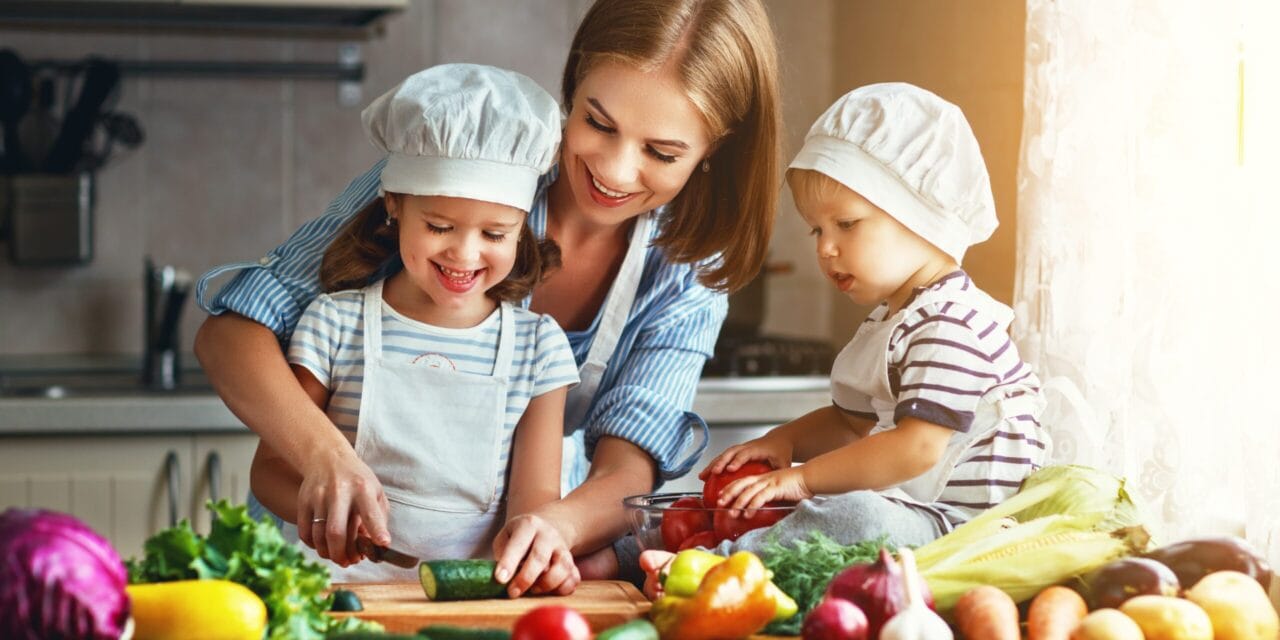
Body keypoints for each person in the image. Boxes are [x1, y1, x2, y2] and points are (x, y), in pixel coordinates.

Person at [193, 0, 781, 594]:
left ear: (713, 150)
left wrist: (553, 527)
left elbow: (627, 464)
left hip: (479, 571)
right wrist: (325, 457)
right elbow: (232, 334)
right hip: (315, 558)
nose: (615, 170)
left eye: (662, 152)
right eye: (598, 123)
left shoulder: (688, 267)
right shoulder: (461, 159)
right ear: (572, 85)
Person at [641, 83, 1051, 587]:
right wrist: (783, 442)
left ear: (921, 217)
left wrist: (803, 478)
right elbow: (850, 423)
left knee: (858, 517)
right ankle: (662, 551)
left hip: (964, 532)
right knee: (833, 507)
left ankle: (716, 565)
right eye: (818, 230)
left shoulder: (953, 323)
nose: (826, 249)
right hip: (915, 514)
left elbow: (917, 448)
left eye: (847, 224)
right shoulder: (895, 319)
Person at [246, 63, 580, 584]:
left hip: (466, 602)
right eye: (440, 226)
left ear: (522, 228)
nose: (465, 254)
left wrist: (533, 549)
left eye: (496, 234)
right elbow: (270, 472)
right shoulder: (335, 323)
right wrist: (326, 516)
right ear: (394, 205)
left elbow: (533, 503)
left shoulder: (539, 348)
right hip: (336, 590)